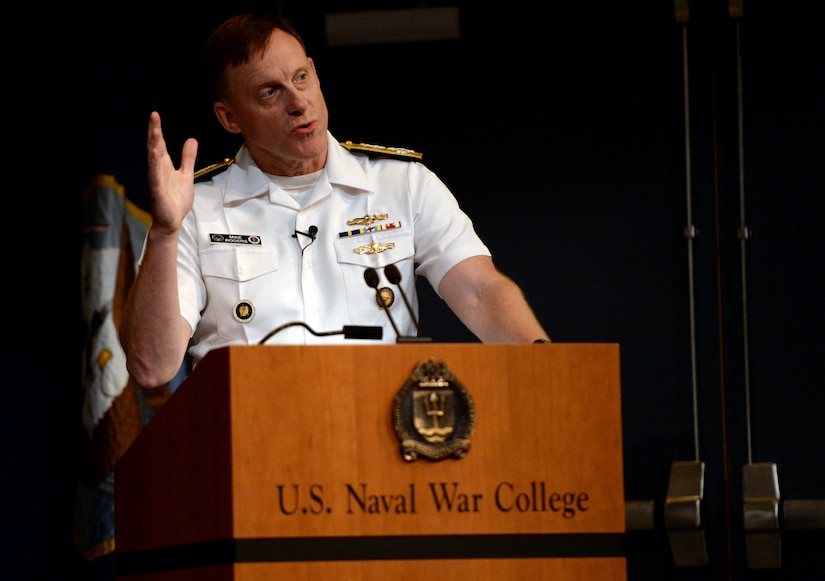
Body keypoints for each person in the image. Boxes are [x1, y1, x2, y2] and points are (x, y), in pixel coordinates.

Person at [120, 13, 550, 389]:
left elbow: (478, 290)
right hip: (246, 446)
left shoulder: (403, 184)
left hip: (385, 442)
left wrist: (550, 367)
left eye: (300, 78)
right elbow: (152, 367)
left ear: (315, 73)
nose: (298, 102)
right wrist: (164, 233)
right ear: (229, 117)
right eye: (270, 92)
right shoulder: (196, 211)